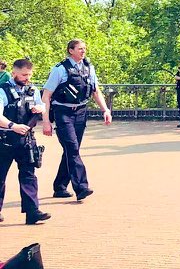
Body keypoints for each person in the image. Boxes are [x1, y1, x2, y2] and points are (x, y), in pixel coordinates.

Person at [41, 39, 112, 201]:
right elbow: (46, 95)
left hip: (81, 112)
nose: (83, 51)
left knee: (71, 150)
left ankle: (59, 187)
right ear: (70, 50)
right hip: (63, 112)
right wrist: (46, 121)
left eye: (84, 48)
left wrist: (105, 109)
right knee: (72, 149)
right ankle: (81, 187)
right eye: (80, 48)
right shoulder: (59, 69)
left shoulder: (89, 68)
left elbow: (95, 91)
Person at [0, 59, 50, 224]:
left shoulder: (32, 89)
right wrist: (13, 126)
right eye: (23, 75)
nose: (26, 78)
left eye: (29, 74)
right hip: (5, 138)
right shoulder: (3, 90)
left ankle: (32, 212)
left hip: (26, 140)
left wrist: (40, 108)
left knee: (29, 175)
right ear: (13, 73)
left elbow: (42, 105)